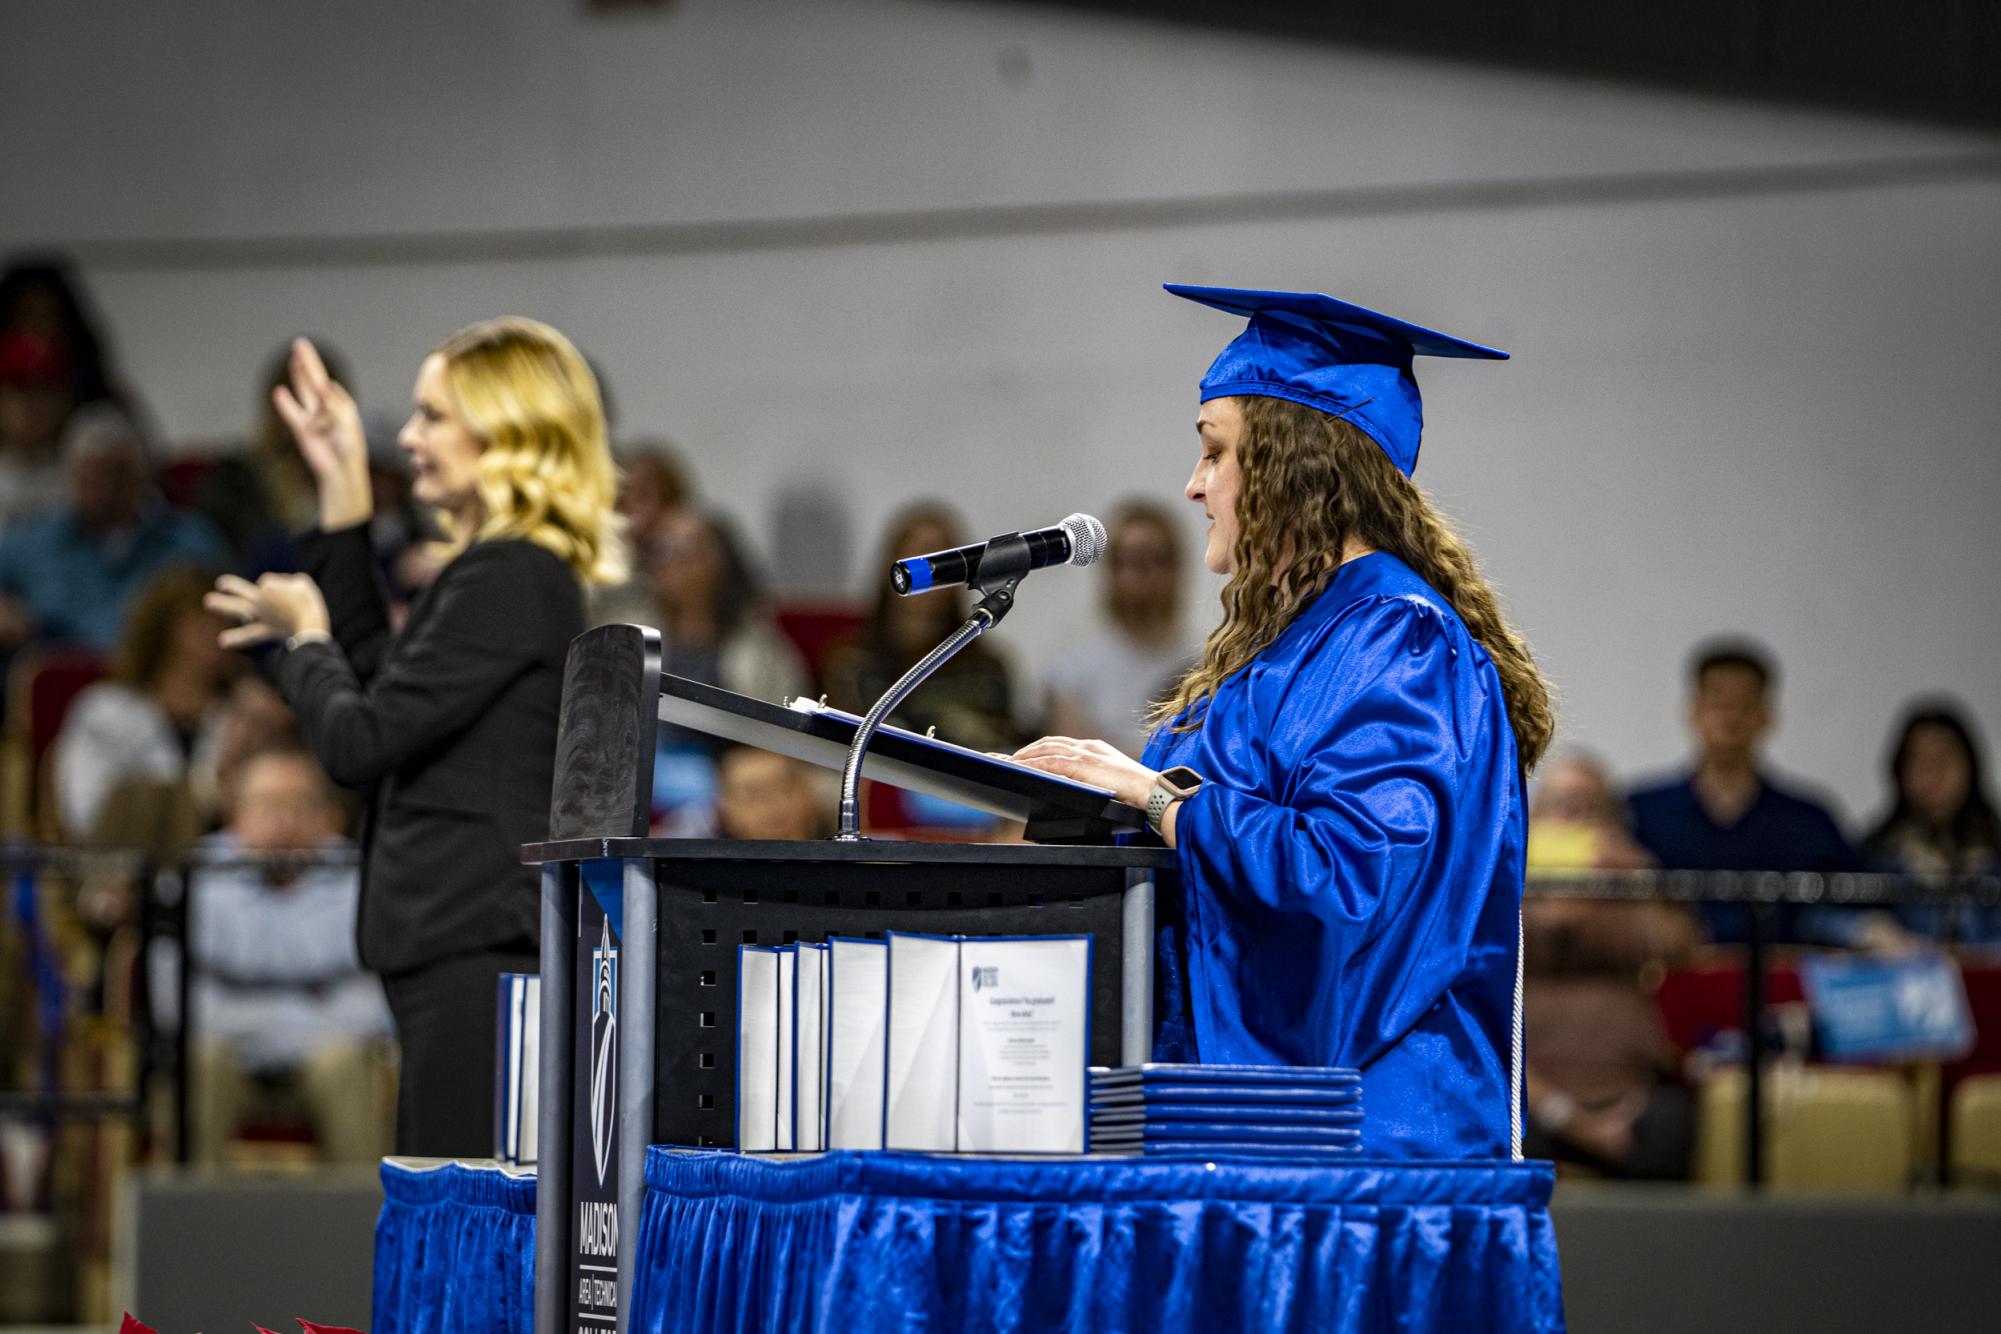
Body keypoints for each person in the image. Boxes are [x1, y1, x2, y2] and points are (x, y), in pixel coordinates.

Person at [1015, 284, 1552, 1159]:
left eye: (1215, 453)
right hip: (1249, 1132)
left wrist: (1158, 800)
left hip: (1368, 1149)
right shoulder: (1282, 645)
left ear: (1293, 467)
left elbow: (1351, 882)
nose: (1192, 486)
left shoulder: (1398, 640)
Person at [204, 319, 624, 1156]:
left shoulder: (512, 574)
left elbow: (359, 740)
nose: (408, 437)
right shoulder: (498, 571)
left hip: (474, 939)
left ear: (504, 431)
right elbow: (379, 678)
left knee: (456, 1219)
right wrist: (342, 482)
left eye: (432, 416)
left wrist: (304, 641)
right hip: (456, 938)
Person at [186, 745, 392, 1165]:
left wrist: (244, 989)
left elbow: (374, 1006)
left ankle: (356, 1226)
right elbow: (182, 1005)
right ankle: (193, 1226)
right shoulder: (196, 880)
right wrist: (311, 992)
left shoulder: (360, 881)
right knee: (201, 1063)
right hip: (228, 1053)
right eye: (267, 805)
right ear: (234, 815)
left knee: (344, 1063)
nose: (284, 823)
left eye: (299, 806)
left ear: (329, 817)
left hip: (326, 1054)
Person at [1520, 749, 1698, 1179]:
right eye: (1560, 806)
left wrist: (1631, 876)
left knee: (1673, 1128)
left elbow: (1679, 949)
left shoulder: (1628, 878)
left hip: (1631, 1088)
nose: (1573, 819)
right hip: (1534, 1091)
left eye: (1587, 808)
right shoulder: (1503, 883)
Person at [1626, 640, 1873, 946]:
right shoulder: (1641, 813)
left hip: (1783, 988)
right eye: (1718, 701)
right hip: (1668, 985)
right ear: (1693, 712)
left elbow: (1860, 913)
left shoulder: (1809, 821)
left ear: (1767, 715)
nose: (1730, 716)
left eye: (1744, 702)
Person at [0, 405, 230, 652]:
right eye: (93, 475)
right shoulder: (31, 542)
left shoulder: (190, 540)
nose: (106, 488)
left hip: (159, 677)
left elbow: (228, 610)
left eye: (118, 473)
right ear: (71, 476)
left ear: (144, 474)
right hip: (60, 672)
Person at [50, 564, 233, 849]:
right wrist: (200, 795)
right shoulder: (104, 711)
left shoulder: (245, 713)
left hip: (226, 879)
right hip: (121, 870)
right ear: (162, 628)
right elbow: (85, 814)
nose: (216, 633)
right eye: (201, 621)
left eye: (224, 622)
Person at [1043, 499, 1198, 759]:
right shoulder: (1074, 667)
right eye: (1130, 561)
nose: (1142, 575)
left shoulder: (1205, 660)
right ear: (1111, 571)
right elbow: (1073, 763)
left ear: (1176, 568)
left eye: (1154, 560)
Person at [1862, 700, 2001, 944]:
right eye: (1918, 759)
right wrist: (1868, 930)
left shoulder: (1994, 852)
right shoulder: (1875, 855)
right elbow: (1815, 918)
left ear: (1970, 765)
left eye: (1944, 757)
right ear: (1899, 770)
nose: (1932, 771)